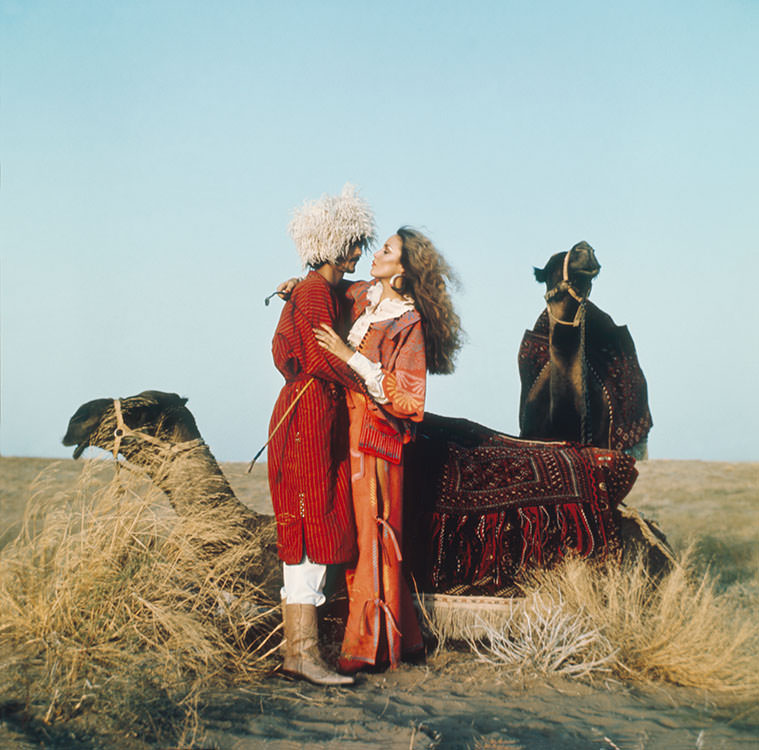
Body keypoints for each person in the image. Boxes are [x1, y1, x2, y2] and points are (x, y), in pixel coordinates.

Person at [313, 227, 462, 673]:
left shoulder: (407, 321)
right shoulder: (362, 297)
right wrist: (296, 287)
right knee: (356, 537)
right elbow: (329, 284)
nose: (375, 254)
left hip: (376, 439)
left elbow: (409, 398)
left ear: (404, 269)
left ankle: (367, 646)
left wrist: (348, 354)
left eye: (387, 250)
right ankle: (400, 638)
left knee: (375, 538)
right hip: (345, 429)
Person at [268, 184, 375, 686]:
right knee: (310, 519)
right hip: (308, 413)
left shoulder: (317, 290)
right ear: (334, 243)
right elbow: (318, 356)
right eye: (354, 243)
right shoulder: (314, 293)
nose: (359, 253)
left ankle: (299, 653)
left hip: (309, 411)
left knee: (313, 516)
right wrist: (368, 377)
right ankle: (303, 654)